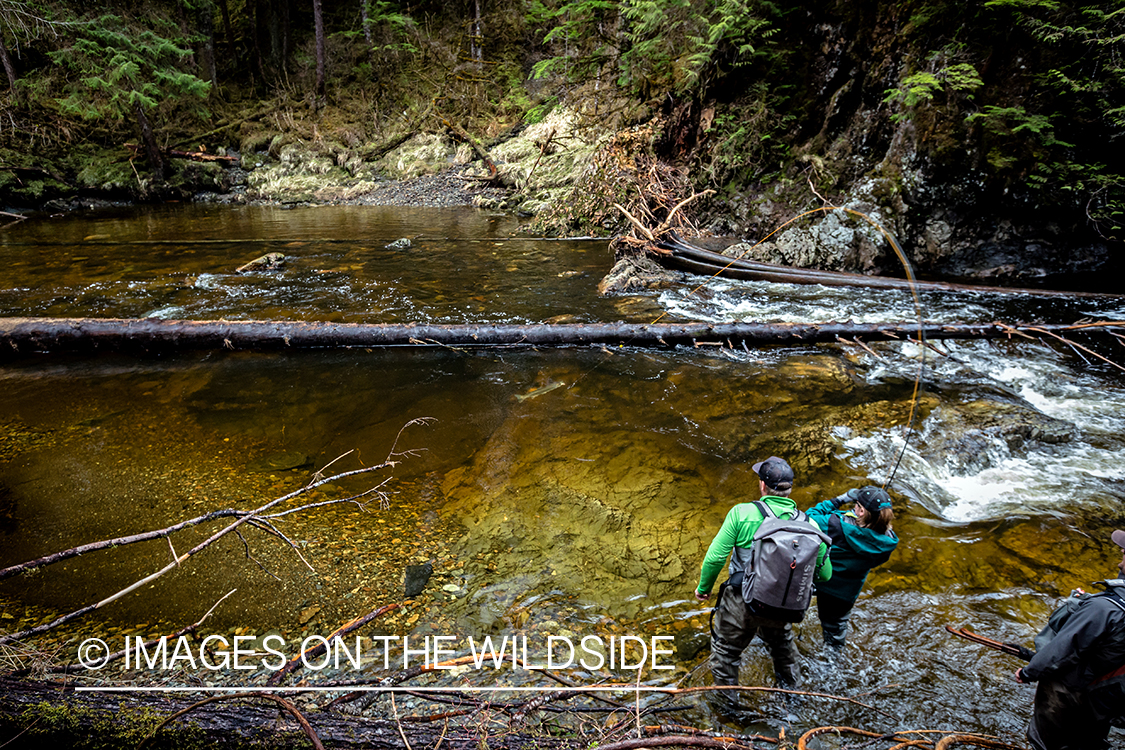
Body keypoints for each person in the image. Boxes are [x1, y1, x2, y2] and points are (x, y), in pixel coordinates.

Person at [694, 456, 832, 688]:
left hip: (742, 599)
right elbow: (825, 575)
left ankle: (728, 710)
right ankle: (793, 701)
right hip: (783, 602)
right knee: (782, 650)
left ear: (762, 485)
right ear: (789, 489)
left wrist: (704, 588)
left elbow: (716, 557)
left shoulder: (742, 513)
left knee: (726, 653)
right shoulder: (810, 525)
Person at [1013, 529, 1125, 750]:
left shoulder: (1104, 608)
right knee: (1088, 740)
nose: (1121, 550)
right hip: (1108, 694)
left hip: (1074, 692)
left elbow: (1062, 651)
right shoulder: (1106, 607)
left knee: (1047, 742)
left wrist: (1029, 672)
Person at [804, 485, 898, 648]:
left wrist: (839, 500)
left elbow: (808, 518)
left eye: (856, 504)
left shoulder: (834, 525)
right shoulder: (888, 542)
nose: (853, 506)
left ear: (861, 511)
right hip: (846, 593)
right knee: (835, 629)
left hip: (818, 579)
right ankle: (833, 661)